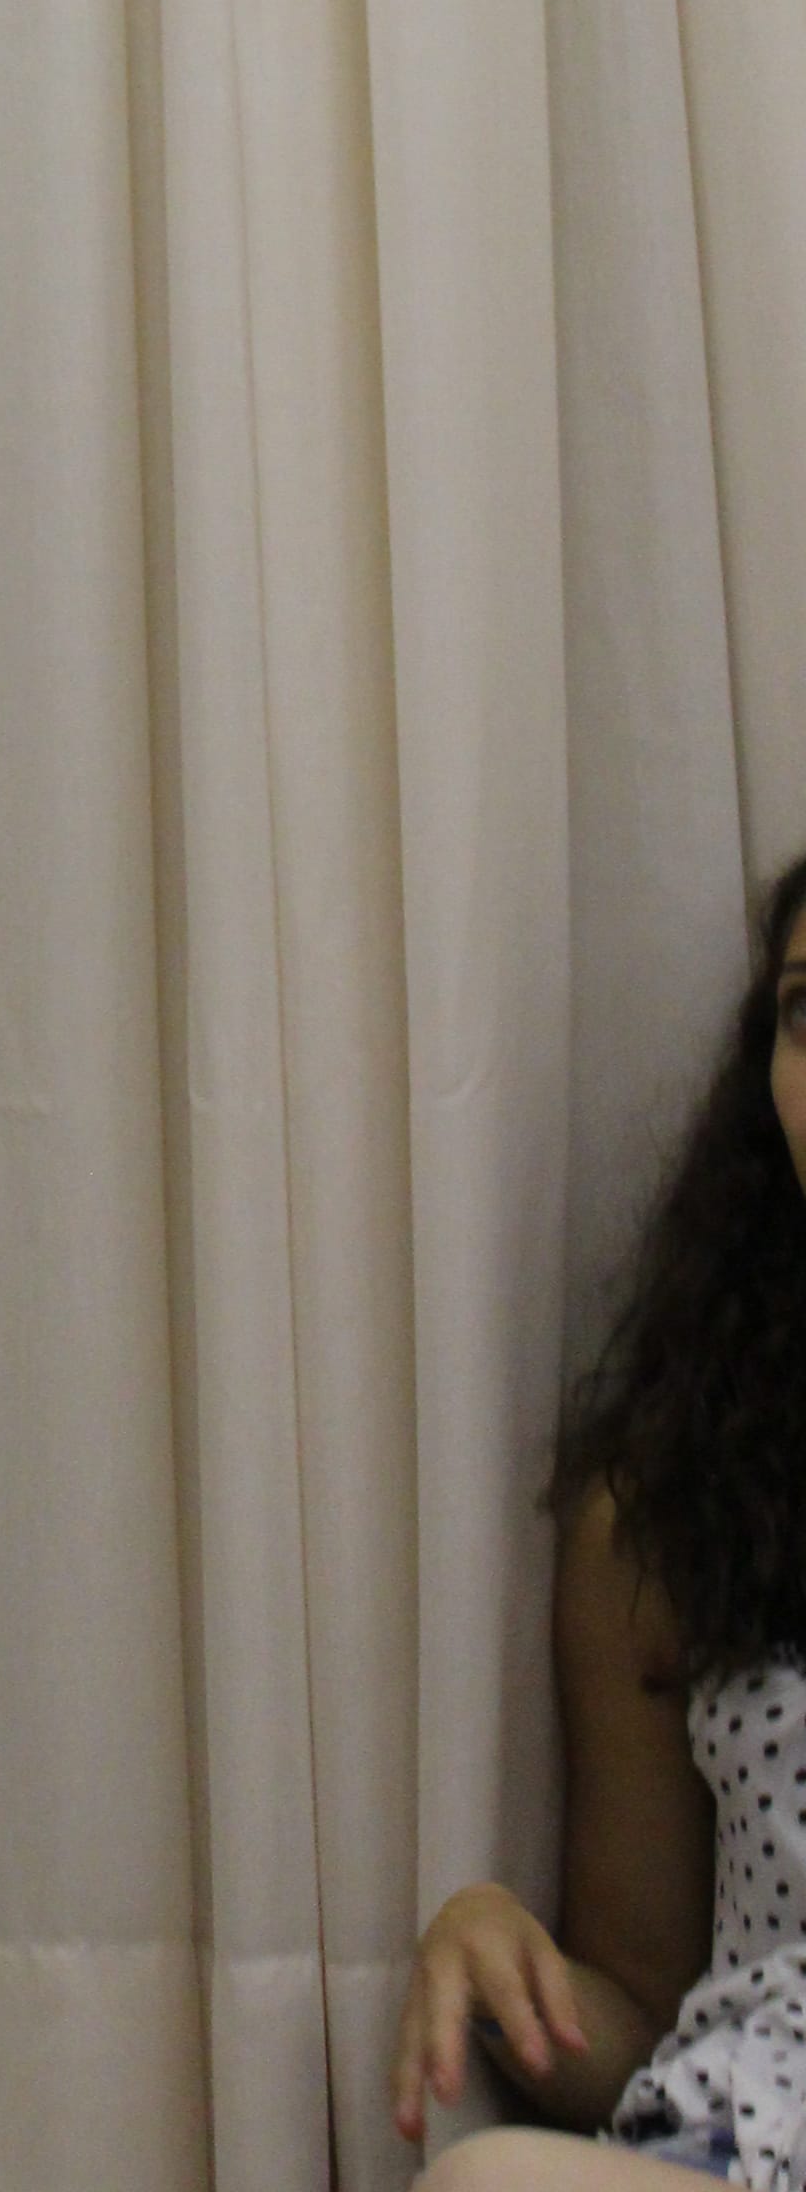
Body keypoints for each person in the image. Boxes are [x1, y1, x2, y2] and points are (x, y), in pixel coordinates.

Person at [397, 857, 806, 2188]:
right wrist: (497, 1951)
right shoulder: (673, 1511)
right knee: (491, 2184)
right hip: (757, 2132)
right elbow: (642, 2007)